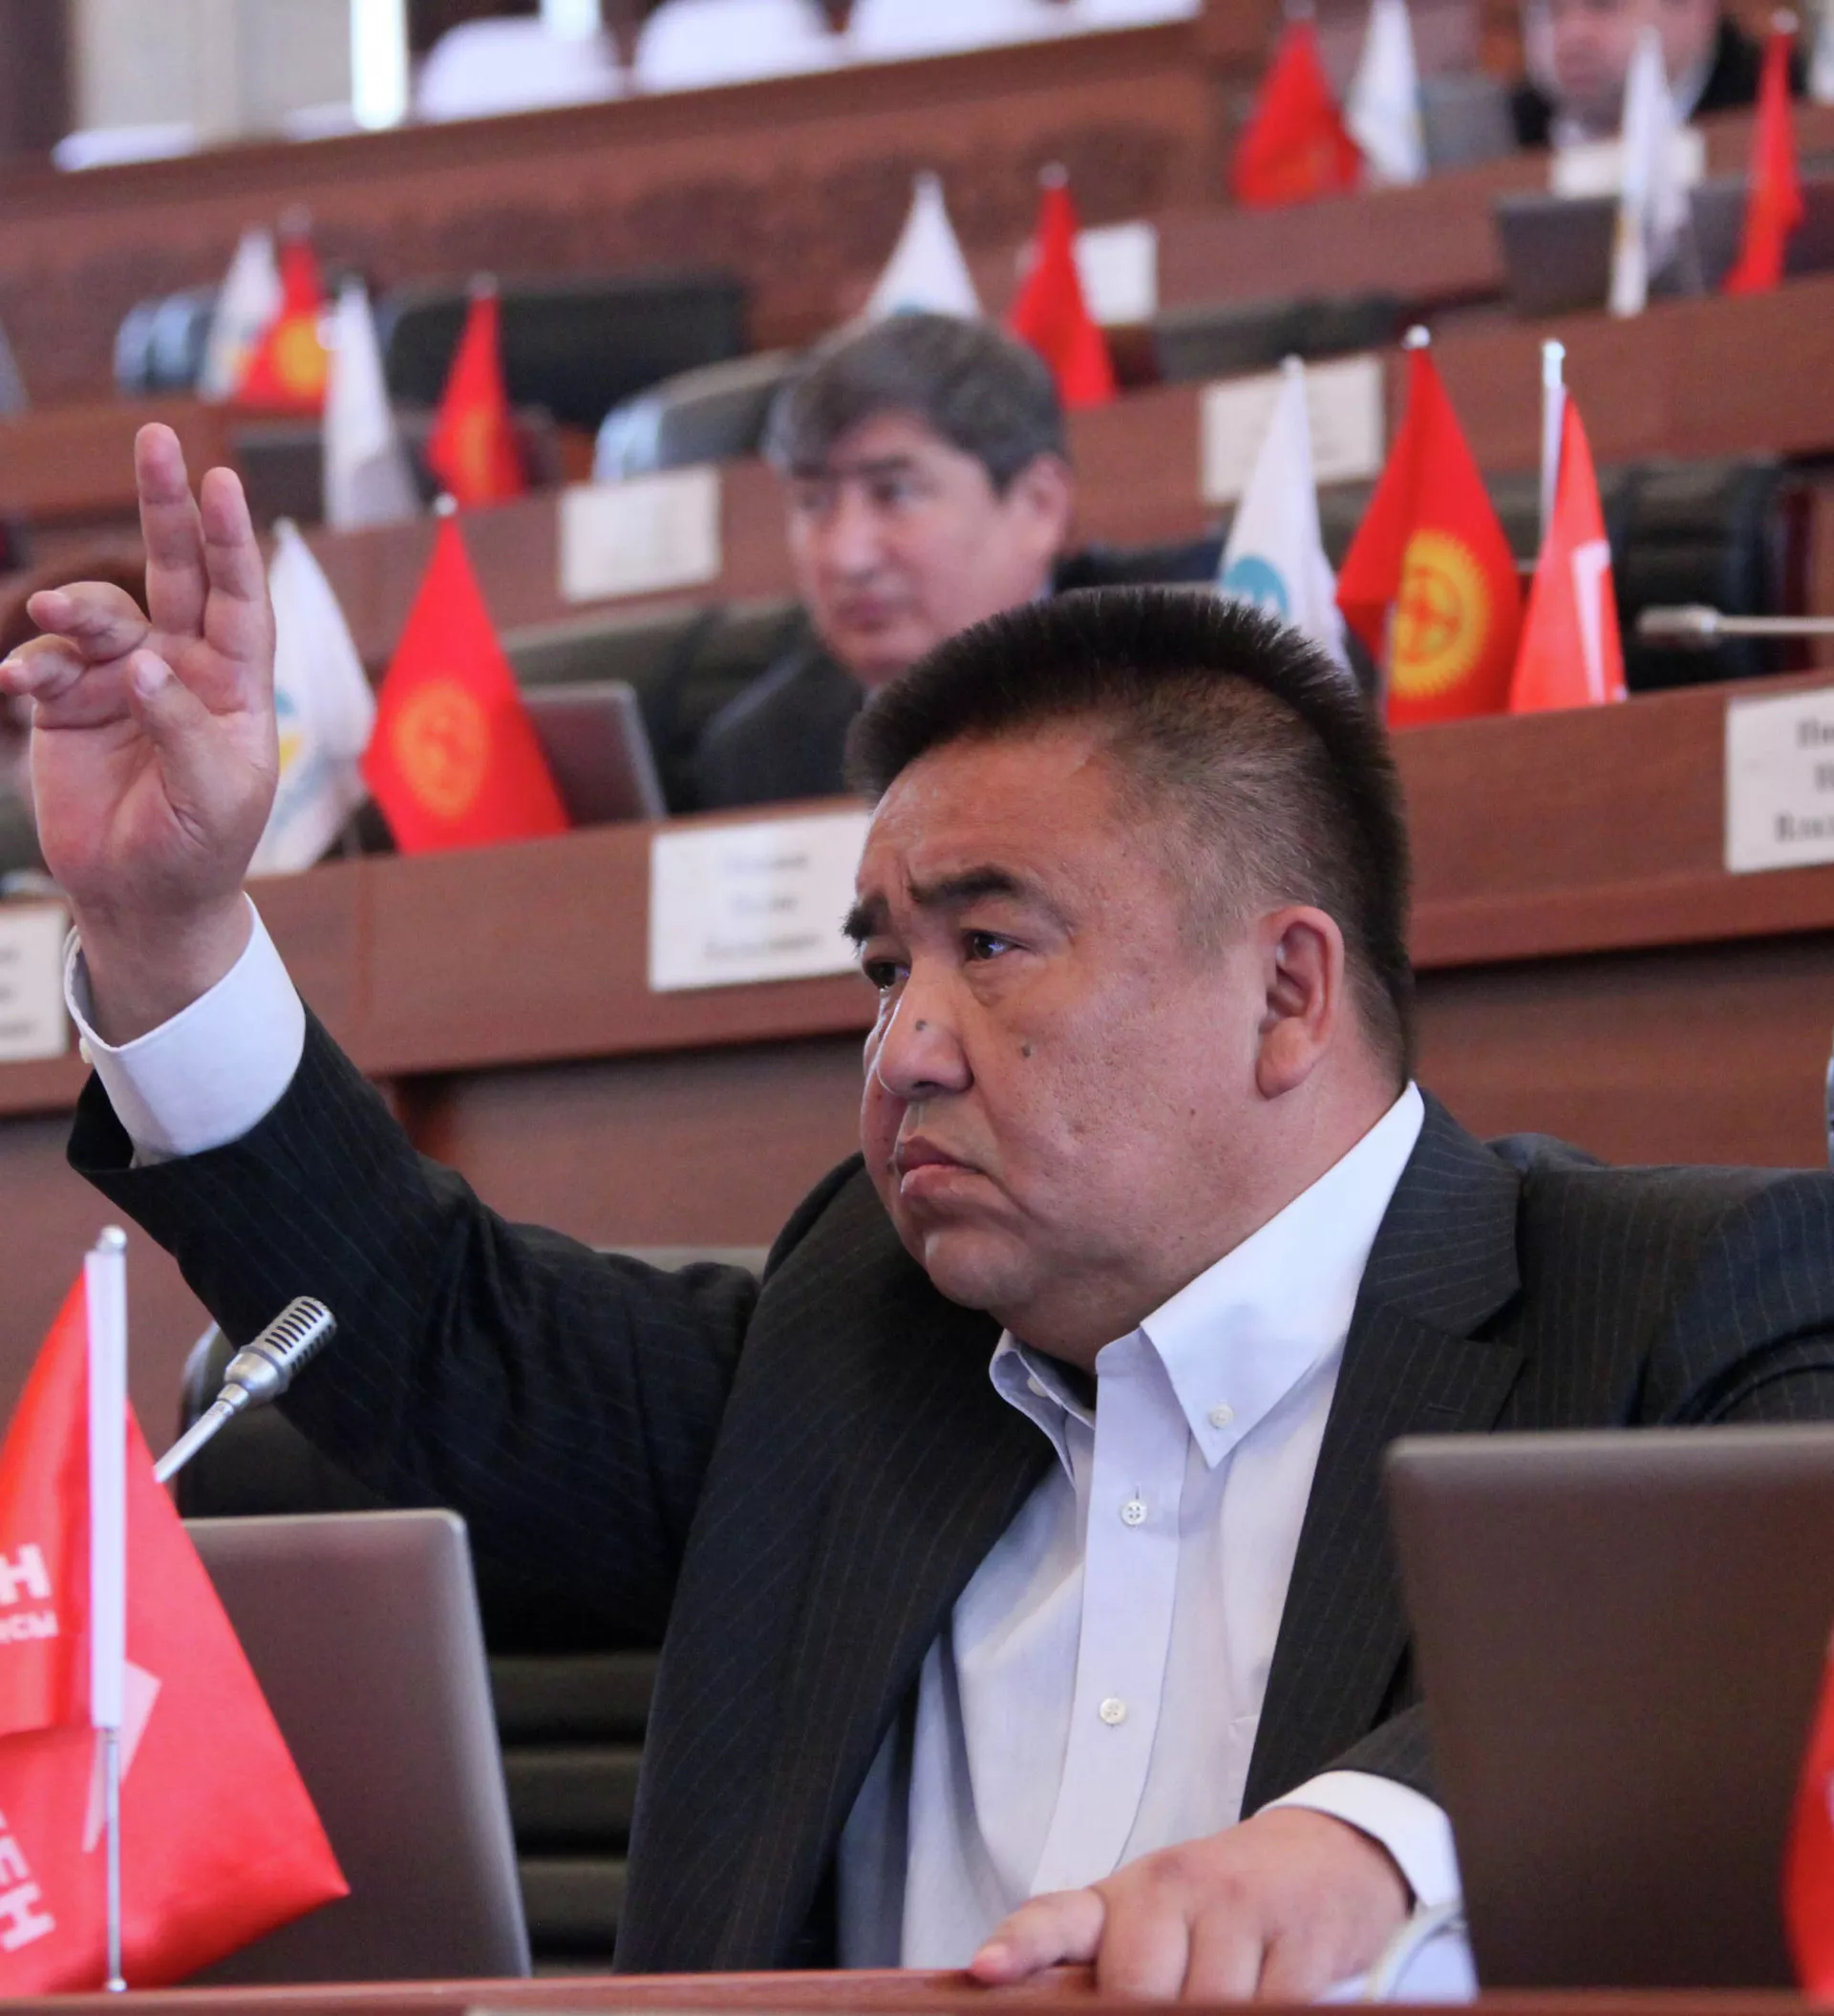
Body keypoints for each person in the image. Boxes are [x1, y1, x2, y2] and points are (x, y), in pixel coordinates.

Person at [10, 429, 1834, 1997]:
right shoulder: (855, 1333)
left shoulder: (1677, 1298)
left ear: (1286, 994)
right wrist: (168, 931)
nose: (905, 1050)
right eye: (887, 967)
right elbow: (428, 1322)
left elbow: (1776, 1630)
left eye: (992, 945)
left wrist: (1371, 1843)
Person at [690, 311, 1214, 813]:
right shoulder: (758, 754)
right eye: (813, 502)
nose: (848, 556)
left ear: (1038, 506)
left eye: (894, 493)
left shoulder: (1184, 683)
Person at [1510, 0, 1802, 147]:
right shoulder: (1505, 135)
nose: (1573, 36)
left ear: (1696, 9)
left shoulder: (1790, 108)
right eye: (1551, 11)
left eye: (1604, 5)